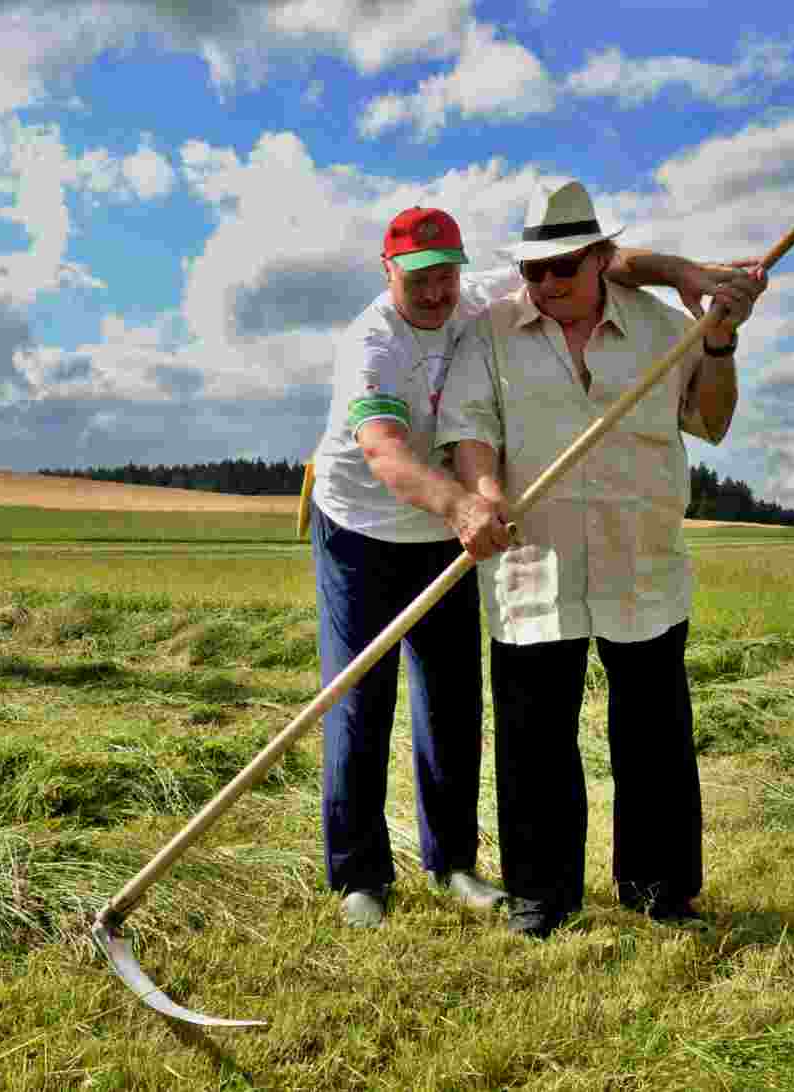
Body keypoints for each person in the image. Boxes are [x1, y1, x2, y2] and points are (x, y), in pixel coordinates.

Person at [311, 201, 756, 927]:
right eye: (416, 277)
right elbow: (398, 446)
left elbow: (629, 282)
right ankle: (366, 874)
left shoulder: (513, 299)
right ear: (388, 270)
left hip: (537, 543)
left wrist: (695, 286)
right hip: (374, 524)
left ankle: (461, 863)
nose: (434, 292)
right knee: (362, 701)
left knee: (455, 708)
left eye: (444, 275)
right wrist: (472, 501)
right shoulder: (383, 342)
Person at [435, 179, 767, 937]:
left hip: (641, 557)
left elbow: (711, 421)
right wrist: (483, 495)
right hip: (533, 562)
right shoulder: (490, 332)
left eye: (563, 269)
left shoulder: (660, 330)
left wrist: (717, 341)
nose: (546, 284)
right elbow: (470, 426)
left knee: (654, 735)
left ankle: (660, 891)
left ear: (602, 261)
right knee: (532, 738)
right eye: (532, 271)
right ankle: (540, 896)